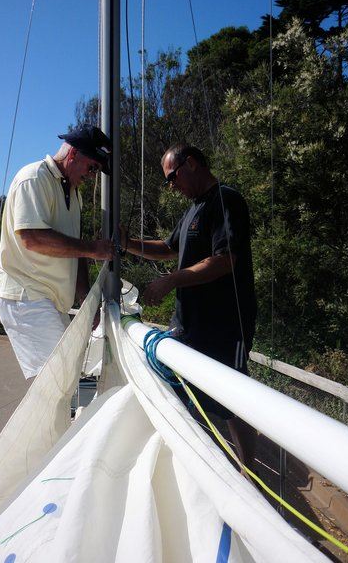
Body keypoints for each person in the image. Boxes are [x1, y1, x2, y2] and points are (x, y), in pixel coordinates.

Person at [121, 143, 257, 471]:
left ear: (191, 163)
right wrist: (127, 245)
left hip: (224, 326)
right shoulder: (193, 209)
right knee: (180, 392)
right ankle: (188, 470)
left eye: (172, 177)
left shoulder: (226, 199)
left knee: (231, 405)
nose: (171, 185)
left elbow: (225, 260)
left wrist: (171, 281)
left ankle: (249, 476)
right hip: (187, 325)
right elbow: (168, 248)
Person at [0, 124, 114, 379]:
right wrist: (93, 249)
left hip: (50, 301)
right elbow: (32, 237)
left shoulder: (74, 194)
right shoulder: (34, 178)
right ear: (73, 154)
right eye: (92, 167)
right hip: (26, 297)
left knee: (65, 381)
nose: (92, 176)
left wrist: (84, 297)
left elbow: (76, 249)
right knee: (56, 384)